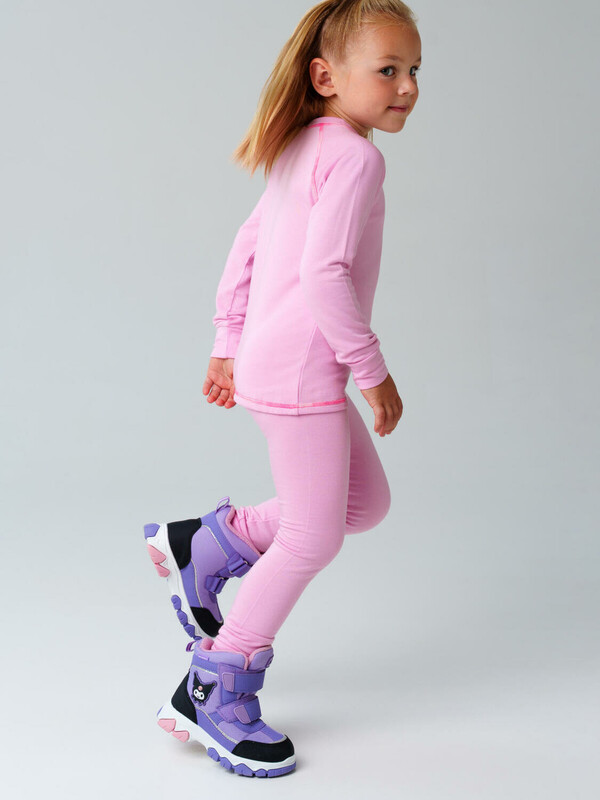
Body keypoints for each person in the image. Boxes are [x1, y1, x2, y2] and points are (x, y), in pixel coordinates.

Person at [144, 0, 421, 779]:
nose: (407, 87)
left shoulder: (306, 144)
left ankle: (210, 542)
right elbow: (323, 274)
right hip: (304, 370)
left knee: (363, 504)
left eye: (414, 71)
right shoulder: (355, 158)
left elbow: (249, 242)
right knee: (312, 536)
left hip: (282, 363)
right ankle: (215, 685)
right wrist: (373, 370)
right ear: (326, 77)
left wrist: (228, 341)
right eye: (388, 70)